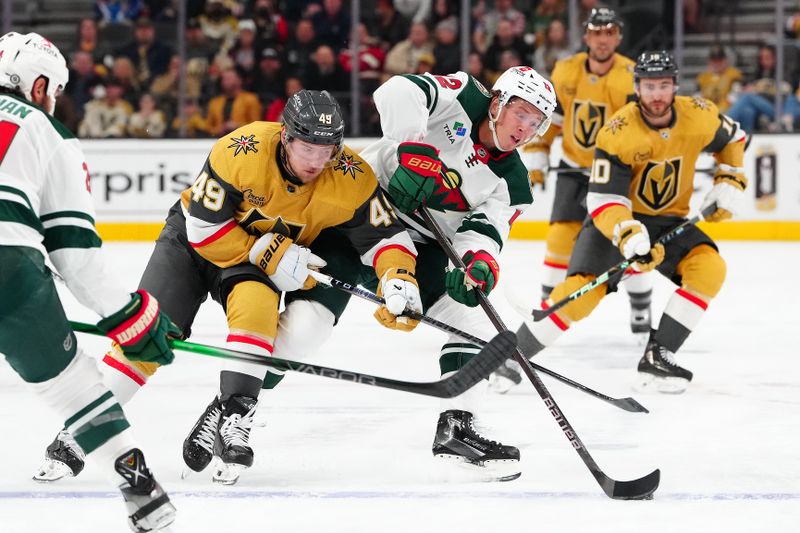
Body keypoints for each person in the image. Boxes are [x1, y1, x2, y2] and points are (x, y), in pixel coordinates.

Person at [36, 90, 421, 485]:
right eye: (308, 147)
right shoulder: (242, 149)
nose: (318, 161)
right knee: (151, 332)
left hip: (252, 259)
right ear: (286, 136)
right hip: (192, 245)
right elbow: (204, 230)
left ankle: (233, 418)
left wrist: (399, 276)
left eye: (328, 148)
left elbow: (386, 237)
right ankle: (86, 427)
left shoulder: (351, 176)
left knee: (257, 316)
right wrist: (266, 252)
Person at [0, 32, 177, 531]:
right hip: (7, 264)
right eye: (52, 89)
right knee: (73, 387)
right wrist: (130, 316)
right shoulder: (46, 131)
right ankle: (143, 493)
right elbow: (74, 256)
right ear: (38, 86)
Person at [356, 65, 556, 480]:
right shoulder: (463, 96)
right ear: (498, 103)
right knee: (306, 320)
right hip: (357, 209)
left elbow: (484, 232)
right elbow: (395, 90)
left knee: (479, 317)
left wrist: (476, 264)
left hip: (416, 245)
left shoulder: (514, 182)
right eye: (522, 113)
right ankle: (236, 400)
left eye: (536, 122)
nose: (526, 128)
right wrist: (411, 148)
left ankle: (455, 425)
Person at [516, 51, 747, 394]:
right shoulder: (617, 132)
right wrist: (627, 234)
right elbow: (603, 199)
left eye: (664, 86)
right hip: (615, 223)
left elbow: (734, 139)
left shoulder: (698, 114)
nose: (657, 94)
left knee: (709, 269)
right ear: (637, 87)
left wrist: (730, 180)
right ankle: (511, 356)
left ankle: (659, 355)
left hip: (668, 222)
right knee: (579, 297)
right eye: (650, 86)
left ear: (675, 86)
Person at [520, 8, 652, 352]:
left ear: (618, 38)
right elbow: (550, 118)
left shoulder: (629, 75)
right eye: (597, 32)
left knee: (627, 247)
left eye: (610, 32)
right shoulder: (566, 70)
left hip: (616, 174)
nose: (603, 39)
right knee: (560, 237)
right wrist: (538, 151)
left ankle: (641, 310)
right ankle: (546, 311)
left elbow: (641, 127)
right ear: (587, 36)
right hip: (574, 168)